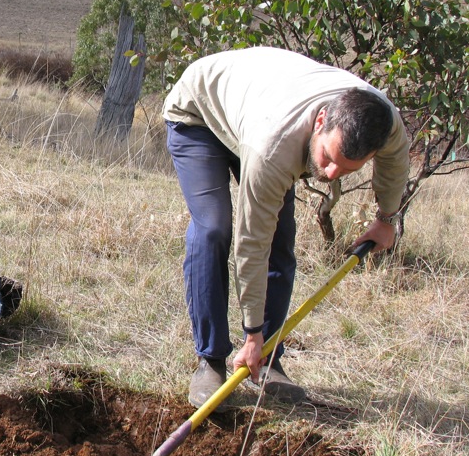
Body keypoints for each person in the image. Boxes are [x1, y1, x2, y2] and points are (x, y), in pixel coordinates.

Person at [162, 46, 410, 407]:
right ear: (321, 121)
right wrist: (251, 332)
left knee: (282, 240)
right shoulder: (275, 146)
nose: (329, 174)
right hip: (200, 113)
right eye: (327, 158)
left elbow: (396, 162)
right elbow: (251, 243)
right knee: (215, 228)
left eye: (348, 169)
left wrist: (386, 219)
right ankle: (211, 360)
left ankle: (268, 358)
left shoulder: (383, 122)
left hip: (255, 106)